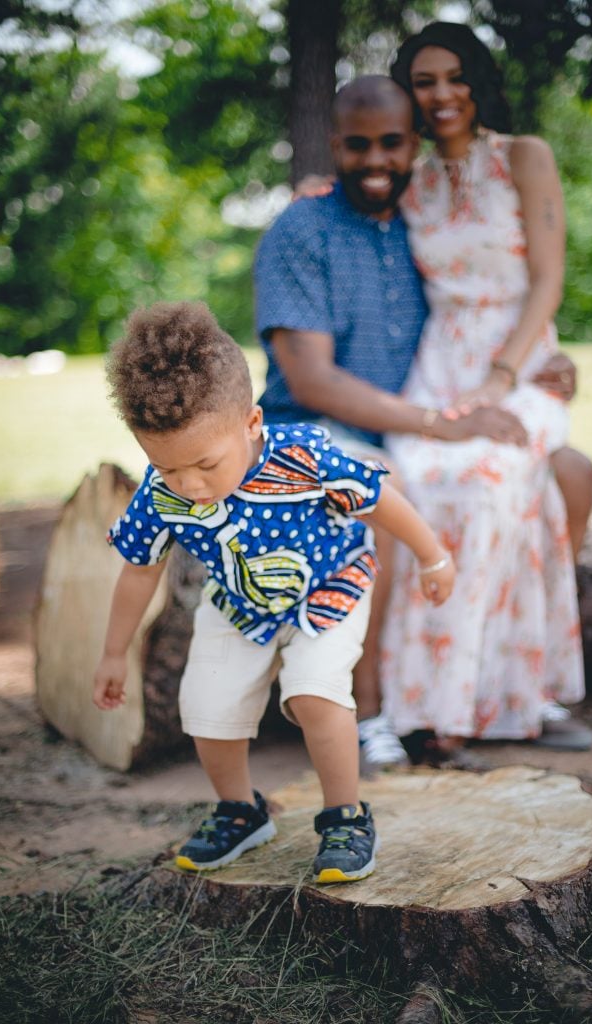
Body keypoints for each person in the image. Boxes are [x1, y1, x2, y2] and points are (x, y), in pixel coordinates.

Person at [254, 74, 592, 766]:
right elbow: (310, 379)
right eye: (357, 147)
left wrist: (540, 370)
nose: (374, 162)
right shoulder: (302, 229)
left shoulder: (415, 217)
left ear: (413, 146)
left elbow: (482, 292)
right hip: (315, 431)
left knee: (568, 474)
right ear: (332, 145)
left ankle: (512, 688)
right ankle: (375, 710)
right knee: (379, 487)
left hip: (414, 418)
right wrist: (439, 425)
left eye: (389, 145)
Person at [92, 301, 455, 884]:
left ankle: (346, 817)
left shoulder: (303, 456)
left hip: (327, 591)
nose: (189, 485)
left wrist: (432, 553)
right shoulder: (162, 494)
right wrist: (113, 651)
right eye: (167, 467)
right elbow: (139, 569)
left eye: (205, 464)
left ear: (252, 424)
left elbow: (377, 497)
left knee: (314, 693)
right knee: (206, 708)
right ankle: (241, 811)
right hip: (239, 602)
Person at [376, 21, 592, 755]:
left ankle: (477, 703)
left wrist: (505, 376)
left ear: (478, 81)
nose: (441, 94)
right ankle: (435, 706)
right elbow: (354, 190)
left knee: (491, 478)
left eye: (454, 76)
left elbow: (548, 279)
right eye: (424, 81)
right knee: (415, 480)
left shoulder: (523, 157)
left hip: (522, 356)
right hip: (440, 362)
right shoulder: (409, 172)